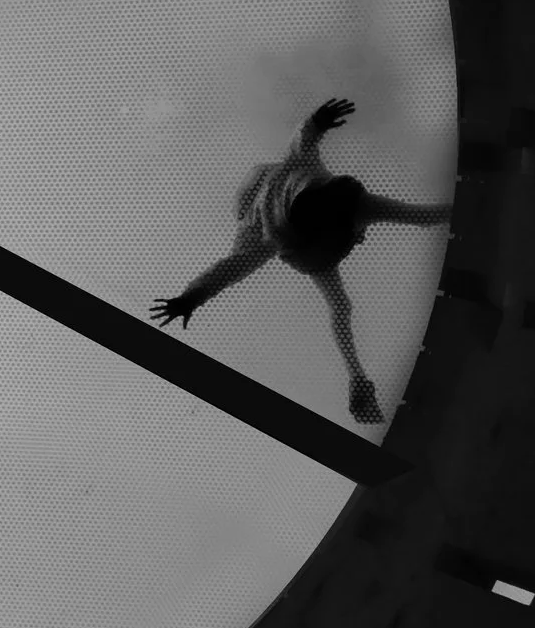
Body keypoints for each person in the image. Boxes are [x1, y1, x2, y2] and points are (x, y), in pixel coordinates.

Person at [148, 98, 451, 424]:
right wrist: (317, 120)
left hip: (304, 245)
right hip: (329, 206)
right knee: (419, 218)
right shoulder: (289, 167)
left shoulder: (253, 228)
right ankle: (357, 377)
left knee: (340, 305)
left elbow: (229, 269)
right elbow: (303, 138)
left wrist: (191, 297)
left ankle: (357, 376)